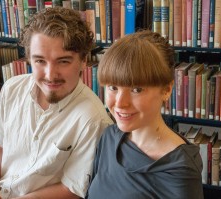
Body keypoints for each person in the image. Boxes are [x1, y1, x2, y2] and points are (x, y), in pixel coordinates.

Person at [0, 7, 113, 199]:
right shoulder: (12, 88)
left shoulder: (94, 120)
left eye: (63, 61)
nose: (50, 75)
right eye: (40, 61)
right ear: (28, 59)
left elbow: (71, 189)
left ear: (84, 60)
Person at [86, 30, 204, 199]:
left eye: (136, 89)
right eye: (113, 87)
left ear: (166, 90)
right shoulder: (109, 137)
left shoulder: (180, 168)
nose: (120, 103)